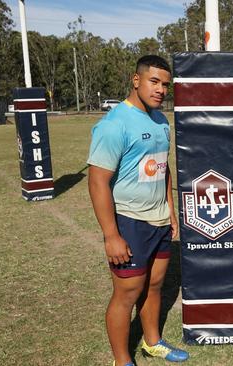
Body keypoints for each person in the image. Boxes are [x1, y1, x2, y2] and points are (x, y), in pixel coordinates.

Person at [87, 55, 189, 366]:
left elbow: (163, 167)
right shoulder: (115, 123)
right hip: (130, 222)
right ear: (136, 80)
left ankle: (152, 342)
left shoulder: (161, 120)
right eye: (154, 82)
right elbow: (97, 182)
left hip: (159, 222)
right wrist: (111, 235)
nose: (160, 90)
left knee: (155, 285)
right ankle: (122, 360)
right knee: (127, 293)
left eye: (165, 85)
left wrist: (170, 212)